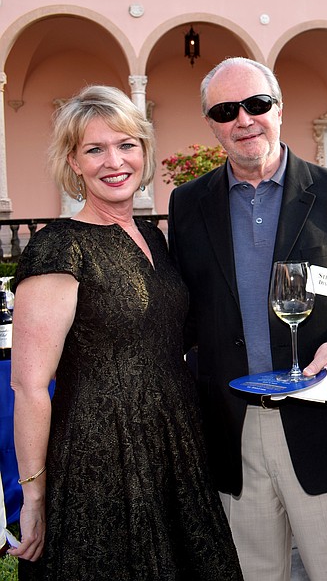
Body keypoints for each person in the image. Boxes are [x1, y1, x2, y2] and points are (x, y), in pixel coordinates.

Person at [167, 57, 327, 581]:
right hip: (234, 432)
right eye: (226, 111)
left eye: (256, 105)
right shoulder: (188, 205)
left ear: (280, 109)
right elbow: (179, 315)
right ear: (211, 123)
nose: (244, 120)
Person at [8, 85, 242, 580]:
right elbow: (29, 386)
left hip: (174, 445)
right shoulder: (61, 248)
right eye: (94, 149)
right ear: (73, 162)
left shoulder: (154, 236)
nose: (113, 161)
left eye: (126, 145)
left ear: (144, 152)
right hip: (100, 456)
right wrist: (33, 495)